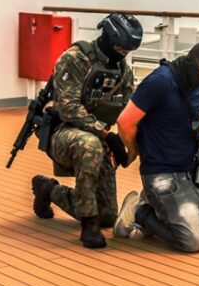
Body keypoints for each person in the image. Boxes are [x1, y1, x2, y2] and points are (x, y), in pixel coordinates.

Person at [112, 41, 199, 253]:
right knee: (192, 242)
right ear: (192, 67)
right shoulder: (160, 82)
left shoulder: (196, 82)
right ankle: (140, 212)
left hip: (190, 171)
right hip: (162, 175)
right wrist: (134, 150)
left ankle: (163, 208)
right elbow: (125, 122)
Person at [31, 13, 142, 249]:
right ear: (109, 37)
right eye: (121, 47)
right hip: (63, 133)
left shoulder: (123, 71)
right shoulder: (75, 58)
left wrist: (129, 141)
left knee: (108, 216)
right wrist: (107, 136)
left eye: (127, 50)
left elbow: (127, 109)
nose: (123, 53)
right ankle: (88, 226)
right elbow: (69, 108)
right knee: (89, 145)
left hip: (97, 136)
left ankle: (49, 190)